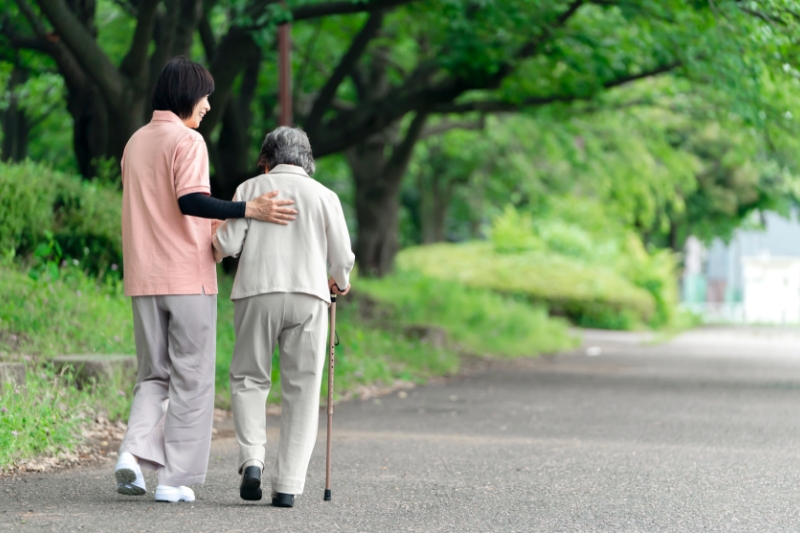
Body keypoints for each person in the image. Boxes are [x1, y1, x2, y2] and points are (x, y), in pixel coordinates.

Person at [114, 57, 298, 503]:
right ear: (186, 96)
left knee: (153, 375)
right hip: (187, 277)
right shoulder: (188, 140)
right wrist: (246, 209)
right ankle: (173, 480)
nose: (209, 106)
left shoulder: (135, 142)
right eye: (205, 96)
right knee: (192, 378)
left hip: (143, 275)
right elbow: (190, 201)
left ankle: (131, 456)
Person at [212, 126, 355, 508]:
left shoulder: (250, 189)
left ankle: (252, 462)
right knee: (303, 389)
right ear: (307, 159)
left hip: (257, 292)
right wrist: (339, 282)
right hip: (309, 297)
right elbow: (342, 258)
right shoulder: (325, 195)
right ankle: (288, 485)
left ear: (267, 159)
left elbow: (226, 245)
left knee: (248, 378)